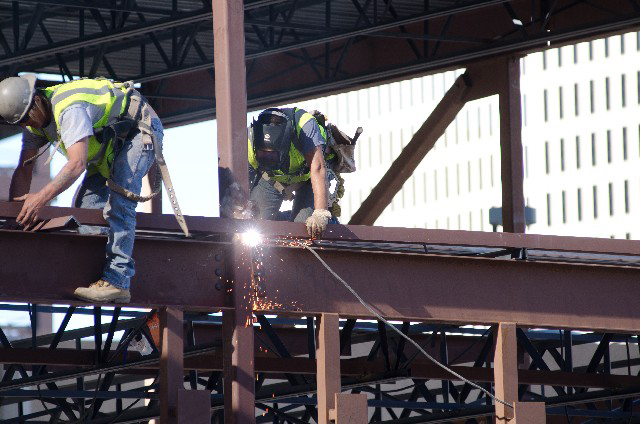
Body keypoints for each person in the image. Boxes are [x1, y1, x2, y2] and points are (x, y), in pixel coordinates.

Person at [0, 74, 164, 304]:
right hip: (110, 144)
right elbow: (24, 168)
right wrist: (16, 217)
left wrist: (41, 198)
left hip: (138, 131)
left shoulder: (69, 109)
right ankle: (98, 268)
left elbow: (77, 164)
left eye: (27, 119)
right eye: (20, 124)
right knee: (86, 210)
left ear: (36, 102)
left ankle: (118, 280)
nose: (27, 125)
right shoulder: (32, 121)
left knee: (121, 200)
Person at [248, 107, 332, 238]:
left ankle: (325, 220)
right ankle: (284, 219)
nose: (268, 159)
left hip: (308, 178)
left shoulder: (305, 126)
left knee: (303, 228)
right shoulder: (248, 143)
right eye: (263, 154)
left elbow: (318, 168)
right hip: (271, 179)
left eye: (272, 155)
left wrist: (320, 213)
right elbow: (238, 188)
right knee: (256, 223)